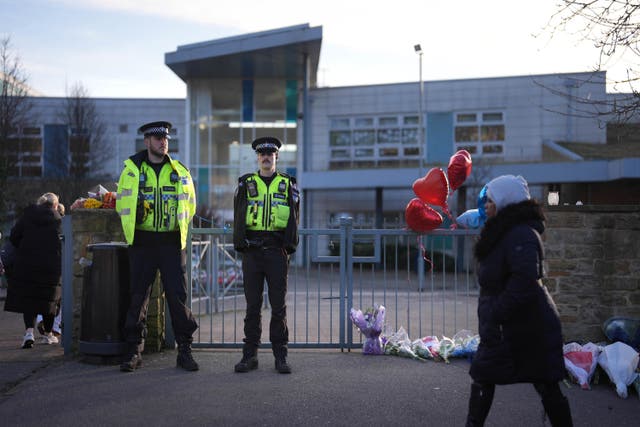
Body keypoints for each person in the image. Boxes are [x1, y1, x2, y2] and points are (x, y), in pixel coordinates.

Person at [465, 175, 573, 426]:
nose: (486, 206)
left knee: (545, 383)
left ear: (504, 203)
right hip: (509, 326)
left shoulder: (520, 234)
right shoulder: (503, 232)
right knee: (484, 376)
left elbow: (524, 281)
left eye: (491, 201)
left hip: (526, 327)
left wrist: (497, 313)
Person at [115, 121, 199, 372]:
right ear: (146, 141)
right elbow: (122, 203)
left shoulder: (180, 171)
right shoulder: (132, 170)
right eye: (157, 138)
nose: (163, 142)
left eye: (166, 138)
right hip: (142, 242)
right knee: (138, 297)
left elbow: (191, 204)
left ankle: (184, 350)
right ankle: (133, 351)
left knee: (177, 297)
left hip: (172, 244)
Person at [233, 136, 300, 374]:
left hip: (277, 253)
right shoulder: (245, 183)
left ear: (276, 157)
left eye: (270, 154)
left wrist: (288, 247)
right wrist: (241, 245)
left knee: (278, 308)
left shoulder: (288, 184)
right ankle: (249, 356)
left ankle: (280, 357)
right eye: (262, 154)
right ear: (257, 157)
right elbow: (238, 216)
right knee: (253, 307)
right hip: (252, 253)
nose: (266, 157)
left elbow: (294, 219)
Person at [3, 192, 63, 348]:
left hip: (26, 263)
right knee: (49, 299)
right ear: (55, 205)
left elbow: (14, 237)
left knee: (29, 299)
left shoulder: (27, 216)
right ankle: (49, 334)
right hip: (50, 265)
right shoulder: (58, 219)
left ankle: (28, 333)